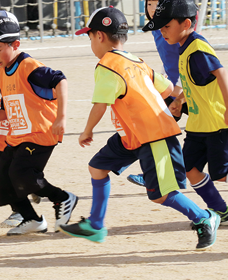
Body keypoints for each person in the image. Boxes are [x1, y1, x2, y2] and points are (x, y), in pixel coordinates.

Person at [59, 6, 220, 250]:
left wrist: (87, 130)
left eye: (89, 37)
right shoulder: (137, 61)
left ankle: (204, 217)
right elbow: (170, 90)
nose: (91, 42)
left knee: (160, 194)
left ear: (99, 36)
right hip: (132, 135)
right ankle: (95, 224)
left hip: (152, 135)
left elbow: (100, 105)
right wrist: (183, 100)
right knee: (97, 167)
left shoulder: (107, 65)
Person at [0, 13, 78, 235]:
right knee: (3, 178)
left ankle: (63, 198)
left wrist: (61, 117)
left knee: (22, 174)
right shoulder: (2, 71)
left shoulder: (29, 66)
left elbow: (60, 80)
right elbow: (11, 107)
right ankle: (33, 220)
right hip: (18, 136)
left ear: (16, 44)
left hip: (41, 133)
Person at [143, 0, 228, 225]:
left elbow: (221, 75)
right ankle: (222, 210)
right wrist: (179, 100)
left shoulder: (198, 48)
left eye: (166, 27)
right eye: (159, 27)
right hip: (198, 125)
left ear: (186, 23)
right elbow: (192, 84)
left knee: (221, 173)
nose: (162, 32)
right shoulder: (184, 47)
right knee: (190, 170)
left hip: (217, 124)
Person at [0, 11, 41, 229]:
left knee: (9, 175)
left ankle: (19, 212)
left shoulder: (23, 66)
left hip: (18, 133)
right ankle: (31, 185)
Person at [127, 0, 188, 187]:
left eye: (158, 4)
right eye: (150, 4)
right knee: (157, 128)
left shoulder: (175, 28)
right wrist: (164, 77)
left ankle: (169, 174)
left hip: (188, 89)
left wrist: (178, 91)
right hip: (178, 88)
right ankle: (158, 174)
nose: (153, 9)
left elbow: (188, 59)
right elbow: (169, 60)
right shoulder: (157, 29)